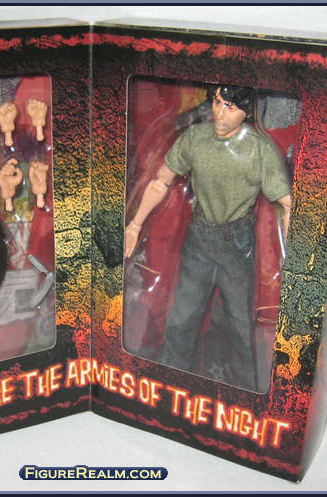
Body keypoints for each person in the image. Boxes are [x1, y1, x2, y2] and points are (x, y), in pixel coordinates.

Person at [124, 84, 292, 391]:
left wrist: (290, 255)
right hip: (200, 238)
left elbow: (286, 203)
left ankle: (246, 389)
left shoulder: (259, 149)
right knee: (182, 316)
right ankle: (170, 381)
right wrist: (135, 224)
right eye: (217, 102)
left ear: (246, 112)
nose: (220, 113)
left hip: (236, 244)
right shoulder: (195, 138)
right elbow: (161, 181)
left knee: (240, 321)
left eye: (230, 107)